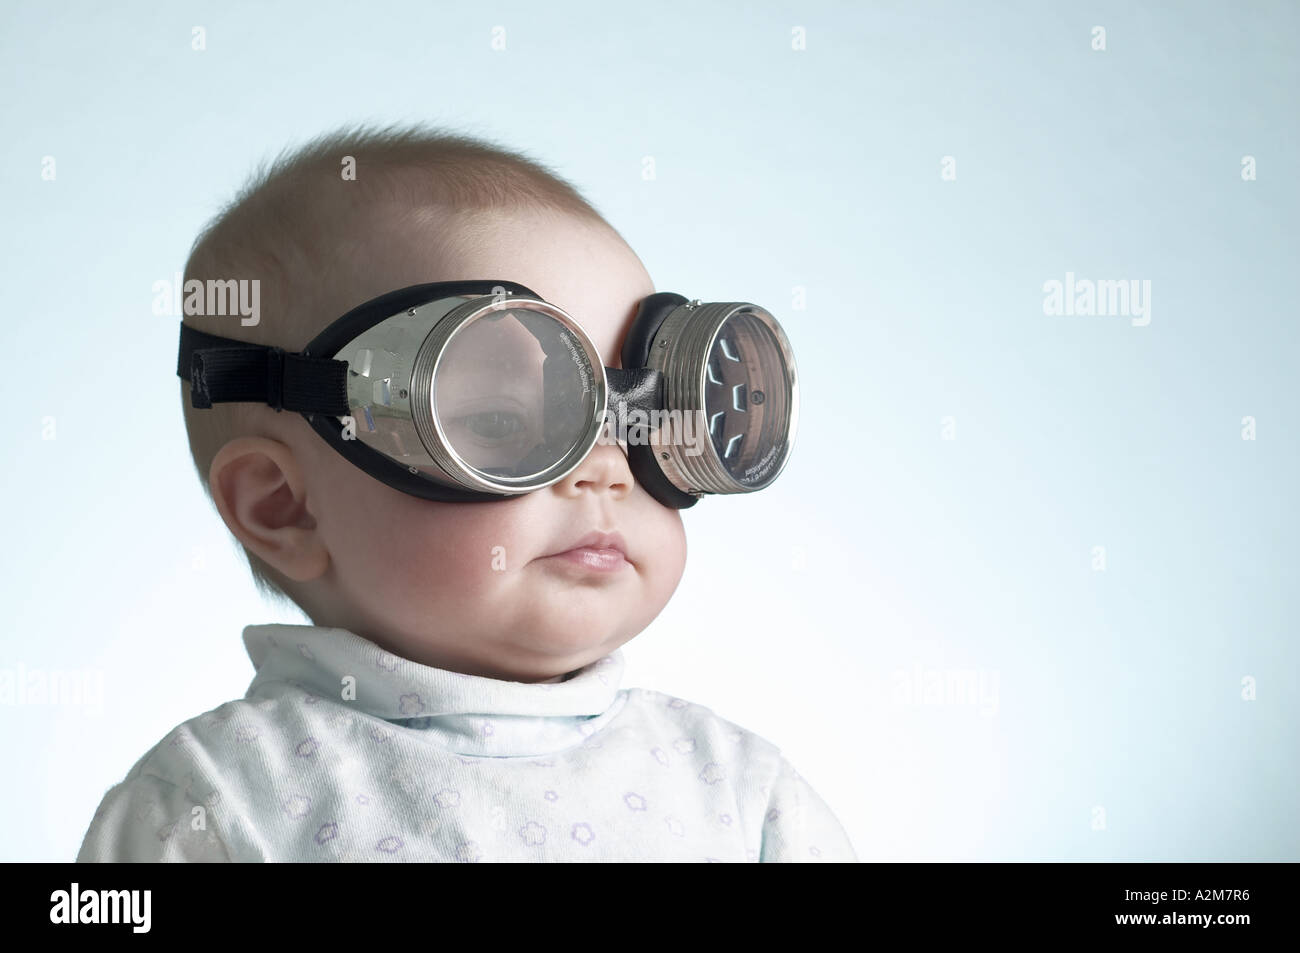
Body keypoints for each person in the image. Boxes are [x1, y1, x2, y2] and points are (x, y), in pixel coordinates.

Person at [76, 123, 857, 862]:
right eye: (499, 422)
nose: (606, 470)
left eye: (647, 421)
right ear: (284, 505)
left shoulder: (744, 795)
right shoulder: (215, 798)